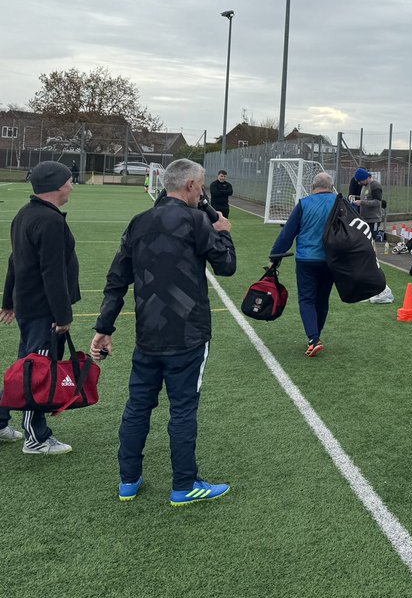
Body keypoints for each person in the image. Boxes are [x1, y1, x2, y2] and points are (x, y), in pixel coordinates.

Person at [90, 159, 237, 505]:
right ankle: (184, 484)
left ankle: (129, 479)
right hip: (187, 334)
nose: (202, 192)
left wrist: (104, 328)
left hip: (148, 335)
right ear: (189, 186)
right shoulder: (196, 220)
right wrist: (224, 230)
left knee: (138, 406)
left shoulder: (139, 222)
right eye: (200, 187)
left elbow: (116, 281)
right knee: (183, 408)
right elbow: (227, 266)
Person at [0, 162, 80, 454]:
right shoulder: (49, 221)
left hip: (28, 305)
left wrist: (8, 301)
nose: (72, 185)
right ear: (57, 185)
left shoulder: (25, 214)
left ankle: (0, 422)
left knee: (27, 366)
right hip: (42, 310)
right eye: (70, 181)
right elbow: (52, 272)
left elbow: (14, 261)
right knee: (39, 371)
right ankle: (36, 437)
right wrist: (62, 316)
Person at [269, 171, 339, 356]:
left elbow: (287, 234)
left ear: (312, 188)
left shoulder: (304, 204)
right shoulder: (340, 203)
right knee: (322, 298)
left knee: (307, 298)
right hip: (331, 259)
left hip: (307, 259)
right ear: (332, 187)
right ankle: (316, 336)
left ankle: (313, 338)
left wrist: (275, 258)